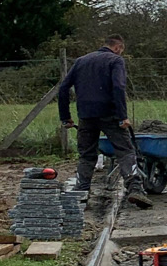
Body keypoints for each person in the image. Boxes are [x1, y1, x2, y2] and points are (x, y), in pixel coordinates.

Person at [58, 35, 152, 208]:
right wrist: (123, 115)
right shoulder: (115, 60)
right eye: (121, 50)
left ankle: (82, 192)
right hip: (110, 114)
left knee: (86, 155)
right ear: (118, 47)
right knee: (125, 151)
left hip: (86, 115)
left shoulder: (81, 61)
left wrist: (65, 117)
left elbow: (63, 88)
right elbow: (118, 87)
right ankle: (135, 189)